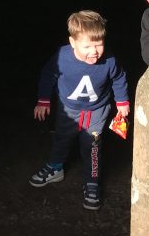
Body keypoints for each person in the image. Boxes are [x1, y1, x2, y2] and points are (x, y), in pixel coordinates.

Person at [29, 11, 130, 211]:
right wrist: (43, 100)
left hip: (97, 110)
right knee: (62, 138)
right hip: (68, 110)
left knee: (92, 146)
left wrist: (122, 101)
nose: (94, 51)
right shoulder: (62, 56)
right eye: (87, 46)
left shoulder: (109, 60)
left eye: (98, 44)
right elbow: (48, 75)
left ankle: (92, 181)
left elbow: (119, 78)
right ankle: (55, 167)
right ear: (72, 42)